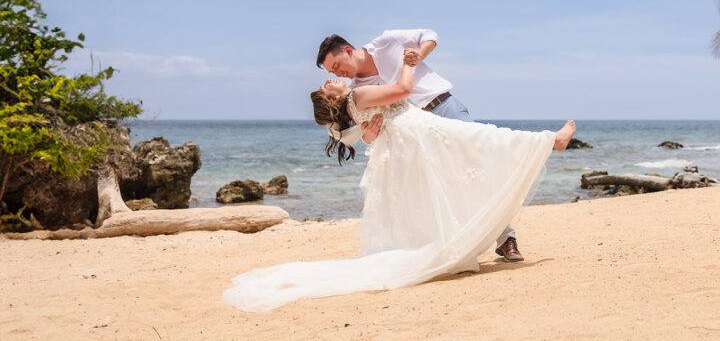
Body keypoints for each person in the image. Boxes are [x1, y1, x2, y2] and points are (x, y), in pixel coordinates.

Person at [222, 53, 575, 312]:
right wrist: (407, 62)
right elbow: (404, 90)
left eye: (329, 75)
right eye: (327, 82)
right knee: (482, 141)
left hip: (407, 143)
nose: (331, 79)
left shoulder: (351, 110)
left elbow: (370, 138)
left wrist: (372, 131)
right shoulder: (356, 97)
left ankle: (543, 148)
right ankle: (549, 141)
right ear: (334, 97)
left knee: (459, 168)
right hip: (420, 132)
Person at [316, 30, 526, 263]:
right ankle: (489, 242)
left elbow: (430, 34)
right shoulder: (355, 89)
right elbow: (368, 132)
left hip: (442, 106)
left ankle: (506, 237)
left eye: (335, 66)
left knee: (479, 164)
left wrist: (418, 55)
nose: (337, 73)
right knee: (449, 185)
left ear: (347, 51)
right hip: (418, 135)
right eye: (332, 71)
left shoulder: (386, 42)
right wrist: (368, 136)